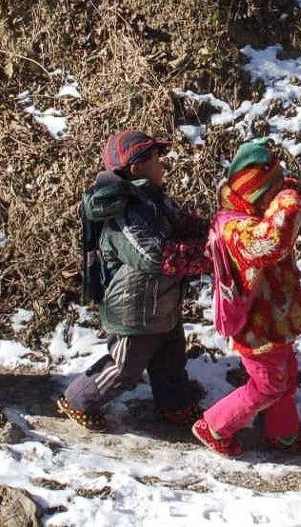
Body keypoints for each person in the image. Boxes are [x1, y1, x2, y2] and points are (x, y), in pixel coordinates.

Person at [58, 130, 209, 432]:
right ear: (136, 167)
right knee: (124, 367)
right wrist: (204, 256)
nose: (163, 166)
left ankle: (175, 406)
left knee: (171, 359)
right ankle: (78, 400)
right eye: (156, 159)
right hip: (134, 310)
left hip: (160, 303)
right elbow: (153, 256)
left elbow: (186, 225)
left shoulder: (154, 200)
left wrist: (216, 233)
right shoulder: (125, 210)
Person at [193, 138, 301, 458]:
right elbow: (274, 240)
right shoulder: (235, 228)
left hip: (274, 320)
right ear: (257, 194)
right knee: (268, 385)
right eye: (272, 193)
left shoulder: (251, 213)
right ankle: (213, 426)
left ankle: (284, 434)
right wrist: (289, 198)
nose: (277, 199)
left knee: (286, 378)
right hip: (255, 327)